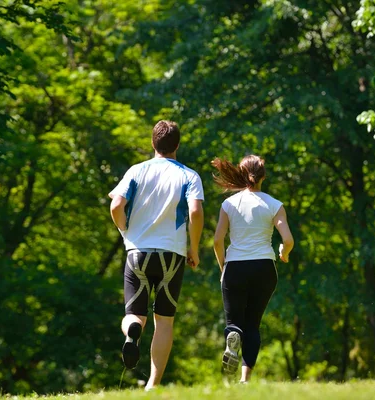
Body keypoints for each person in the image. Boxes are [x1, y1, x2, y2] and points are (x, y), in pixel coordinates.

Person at [109, 120, 204, 390]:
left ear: (153, 143)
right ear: (177, 145)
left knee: (133, 314)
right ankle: (153, 384)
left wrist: (124, 229)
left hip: (137, 251)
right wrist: (193, 248)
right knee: (164, 321)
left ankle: (131, 332)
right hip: (172, 255)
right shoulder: (189, 175)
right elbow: (196, 212)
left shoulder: (136, 171)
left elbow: (116, 204)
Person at [211, 155, 294, 383]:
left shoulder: (229, 204)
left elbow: (218, 241)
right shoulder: (275, 205)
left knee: (234, 323)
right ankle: (245, 380)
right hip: (264, 268)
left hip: (235, 267)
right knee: (253, 325)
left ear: (241, 173)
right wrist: (283, 254)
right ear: (263, 176)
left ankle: (232, 337)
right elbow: (288, 240)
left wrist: (223, 268)